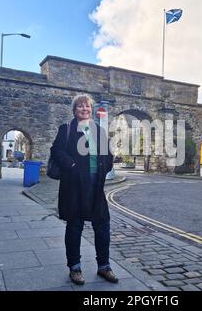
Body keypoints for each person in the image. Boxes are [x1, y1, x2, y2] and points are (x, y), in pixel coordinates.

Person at [50, 94, 118, 286]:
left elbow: (109, 154)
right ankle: (75, 268)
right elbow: (56, 151)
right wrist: (71, 165)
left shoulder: (98, 130)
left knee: (102, 226)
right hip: (74, 188)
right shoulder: (67, 129)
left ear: (91, 109)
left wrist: (106, 166)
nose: (84, 109)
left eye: (87, 106)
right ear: (74, 110)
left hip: (96, 187)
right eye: (80, 106)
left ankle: (104, 266)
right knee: (74, 227)